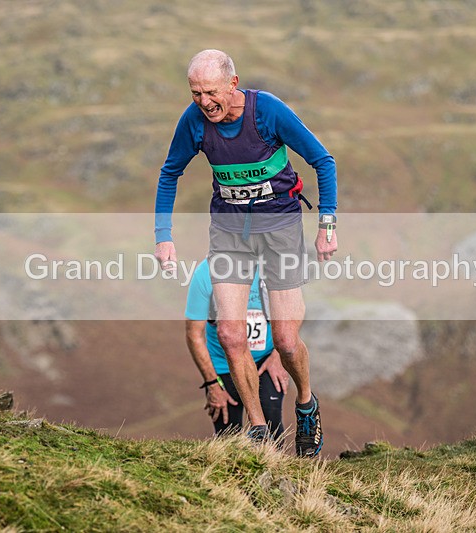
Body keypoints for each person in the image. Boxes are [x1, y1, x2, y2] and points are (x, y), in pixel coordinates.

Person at [154, 49, 338, 457]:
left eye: (211, 92)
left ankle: (306, 403)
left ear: (233, 84)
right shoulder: (194, 122)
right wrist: (163, 236)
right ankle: (257, 429)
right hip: (229, 231)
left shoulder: (267, 112)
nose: (204, 102)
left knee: (287, 342)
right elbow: (170, 172)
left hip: (281, 229)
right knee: (230, 333)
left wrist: (326, 227)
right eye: (196, 93)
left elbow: (323, 161)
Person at [185, 258, 290, 440]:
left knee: (272, 423)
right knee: (228, 436)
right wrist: (212, 383)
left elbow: (295, 313)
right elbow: (194, 334)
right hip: (223, 366)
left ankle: (274, 467)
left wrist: (278, 356)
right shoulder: (205, 273)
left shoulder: (273, 266)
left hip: (265, 362)